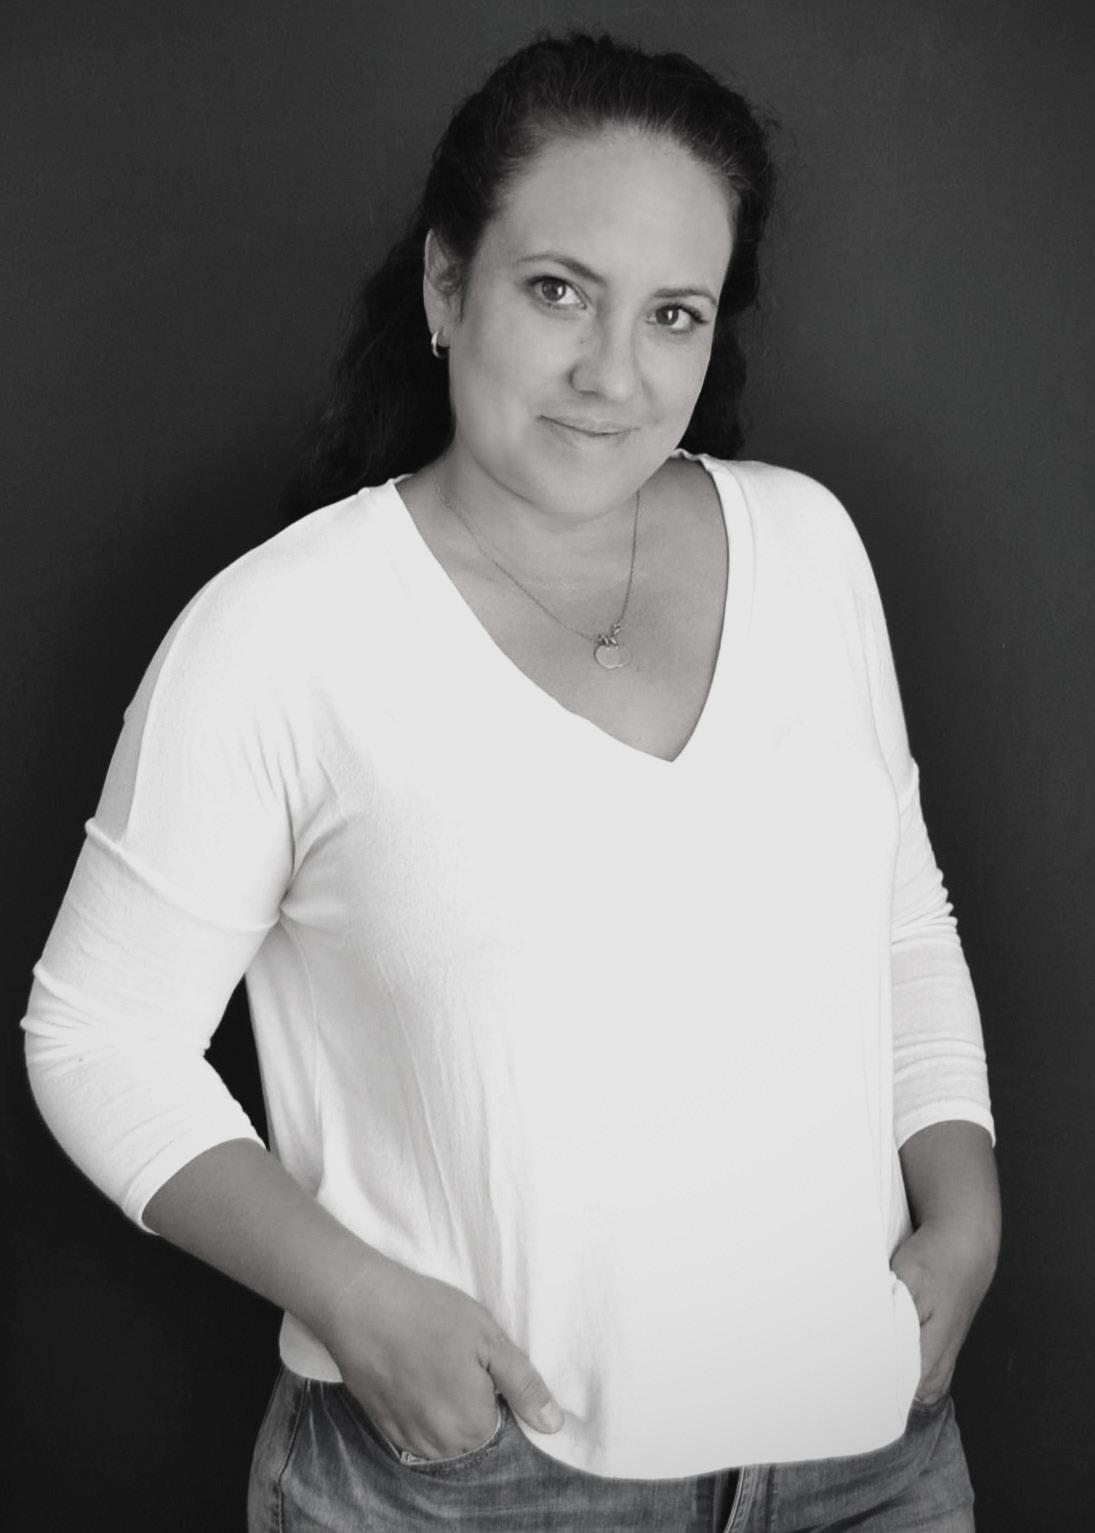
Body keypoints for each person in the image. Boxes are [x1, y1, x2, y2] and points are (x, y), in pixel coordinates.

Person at [22, 29, 1000, 1533]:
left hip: (869, 1455)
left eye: (672, 314)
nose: (613, 373)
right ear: (444, 285)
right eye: (558, 291)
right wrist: (354, 1299)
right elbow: (96, 1035)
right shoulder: (283, 633)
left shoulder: (809, 548)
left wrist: (967, 1213)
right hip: (485, 1480)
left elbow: (898, 914)